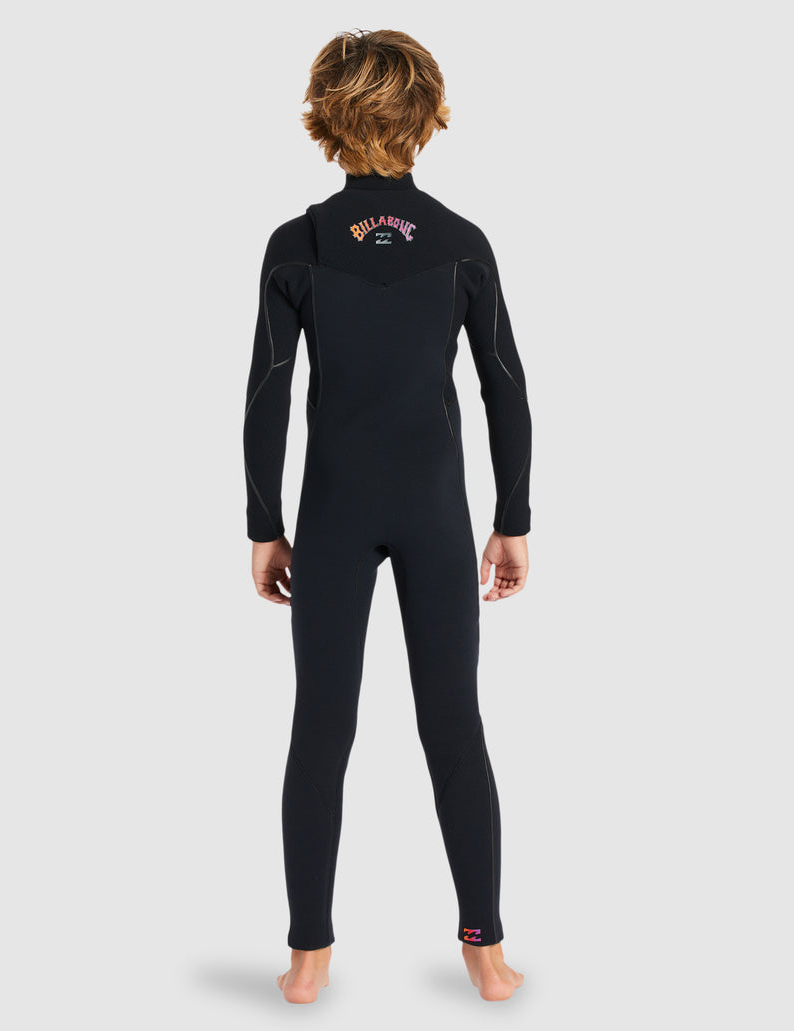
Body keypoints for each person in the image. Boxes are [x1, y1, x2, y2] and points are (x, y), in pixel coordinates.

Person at [243, 28, 532, 1003]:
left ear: (326, 115)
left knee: (321, 726)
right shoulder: (459, 241)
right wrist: (512, 516)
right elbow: (504, 386)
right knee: (454, 723)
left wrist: (264, 523)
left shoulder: (299, 243)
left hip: (331, 511)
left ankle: (308, 957)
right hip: (434, 513)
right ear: (427, 114)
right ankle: (484, 950)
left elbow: (268, 391)